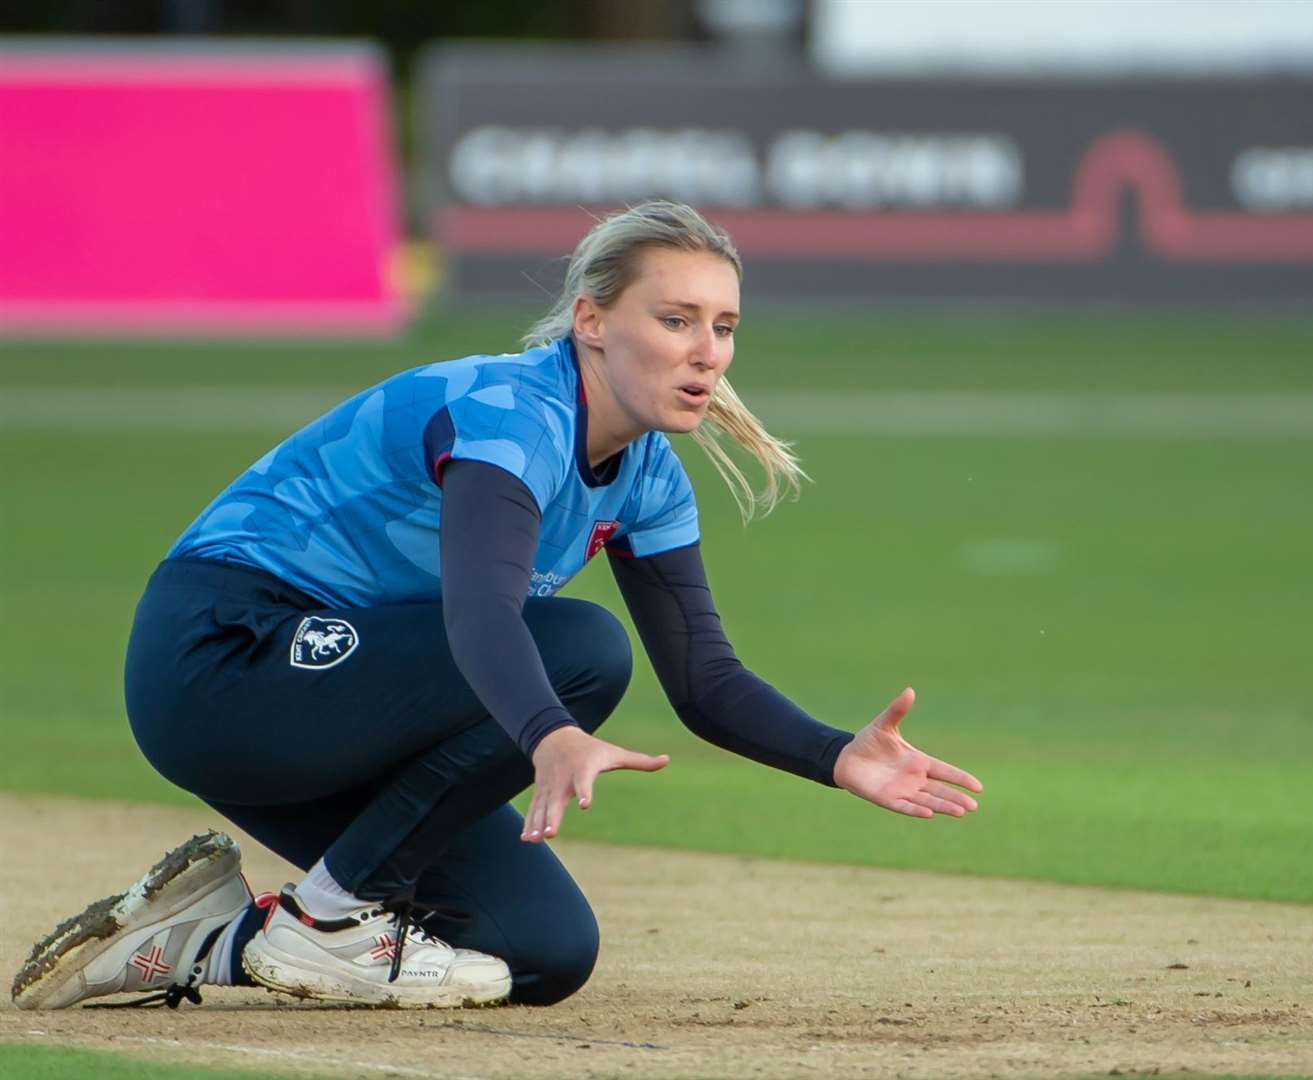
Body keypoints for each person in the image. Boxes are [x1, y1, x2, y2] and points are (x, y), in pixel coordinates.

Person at [11, 201, 983, 1011]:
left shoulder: (648, 479)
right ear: (592, 320)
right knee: (585, 646)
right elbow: (482, 615)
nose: (707, 352)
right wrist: (548, 731)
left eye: (723, 327)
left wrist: (835, 754)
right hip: (223, 659)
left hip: (343, 707)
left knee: (543, 949)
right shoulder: (512, 415)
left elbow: (705, 681)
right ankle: (329, 919)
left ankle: (211, 938)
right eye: (676, 319)